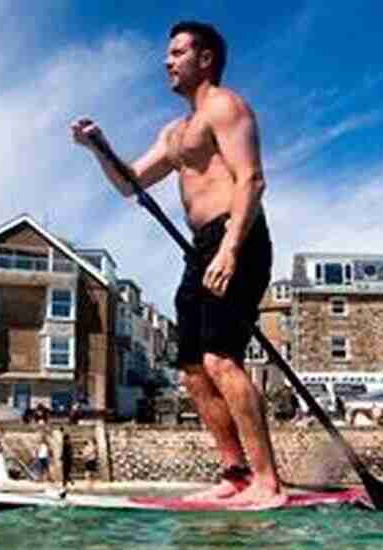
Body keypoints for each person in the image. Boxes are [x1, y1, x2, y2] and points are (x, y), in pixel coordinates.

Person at [71, 21, 285, 509]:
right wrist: (97, 148)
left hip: (239, 238)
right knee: (191, 368)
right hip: (200, 247)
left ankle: (267, 481)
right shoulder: (175, 133)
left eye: (177, 53)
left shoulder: (226, 107)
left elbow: (251, 181)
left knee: (219, 358)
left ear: (205, 59)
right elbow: (130, 183)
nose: (167, 62)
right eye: (167, 54)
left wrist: (231, 249)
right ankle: (234, 473)